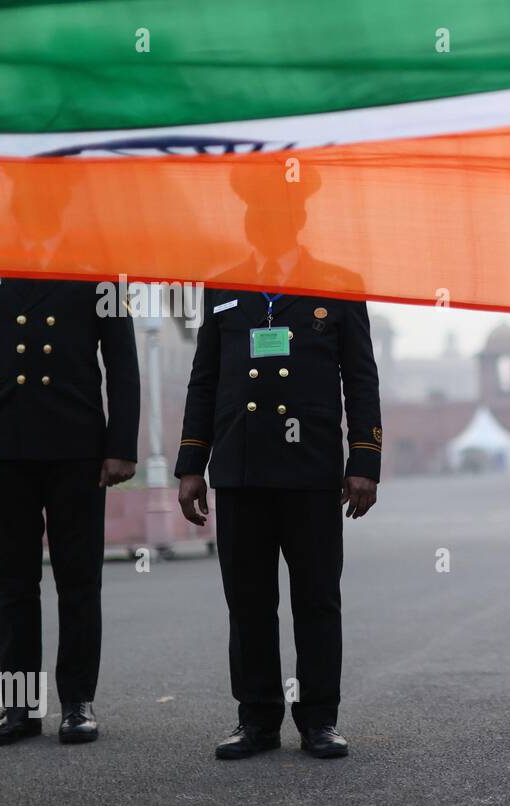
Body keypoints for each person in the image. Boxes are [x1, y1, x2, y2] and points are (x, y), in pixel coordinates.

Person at [175, 161, 381, 760]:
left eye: (277, 213)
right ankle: (257, 718)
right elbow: (203, 382)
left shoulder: (337, 285)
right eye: (255, 213)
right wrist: (192, 464)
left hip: (312, 472)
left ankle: (319, 718)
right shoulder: (223, 288)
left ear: (298, 219)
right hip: (240, 472)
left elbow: (361, 380)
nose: (264, 222)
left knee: (317, 597)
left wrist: (363, 459)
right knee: (248, 599)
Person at [0, 172, 139, 747]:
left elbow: (121, 361)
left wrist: (121, 445)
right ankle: (20, 708)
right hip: (5, 447)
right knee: (14, 582)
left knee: (78, 580)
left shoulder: (96, 265)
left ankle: (77, 702)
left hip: (76, 447)